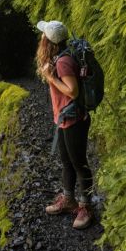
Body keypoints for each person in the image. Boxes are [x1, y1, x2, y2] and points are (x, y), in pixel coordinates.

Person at [36, 19, 93, 229]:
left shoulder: (63, 62)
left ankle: (86, 206)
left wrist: (50, 77)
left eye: (43, 35)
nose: (41, 37)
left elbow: (72, 91)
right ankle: (69, 200)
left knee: (79, 163)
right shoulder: (59, 57)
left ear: (49, 42)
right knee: (67, 161)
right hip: (64, 119)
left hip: (74, 120)